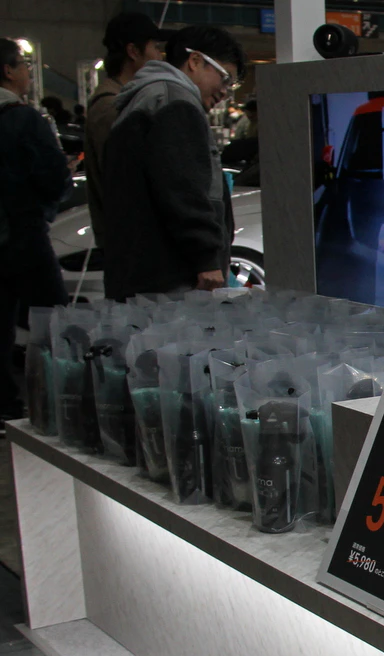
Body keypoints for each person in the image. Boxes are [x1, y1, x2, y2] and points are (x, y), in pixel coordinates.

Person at [103, 25, 243, 298]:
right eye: (225, 78)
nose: (225, 91)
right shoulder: (175, 102)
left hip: (141, 270)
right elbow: (183, 187)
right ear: (195, 61)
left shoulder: (145, 98)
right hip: (170, 276)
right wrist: (206, 257)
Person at [0, 38, 70, 418]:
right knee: (52, 322)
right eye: (25, 65)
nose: (29, 72)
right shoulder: (22, 118)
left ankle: (5, 406)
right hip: (24, 235)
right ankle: (60, 402)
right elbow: (53, 177)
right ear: (8, 70)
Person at [85, 11, 172, 255]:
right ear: (133, 51)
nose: (159, 55)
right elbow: (125, 181)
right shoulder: (111, 106)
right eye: (154, 47)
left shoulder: (128, 99)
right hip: (131, 244)